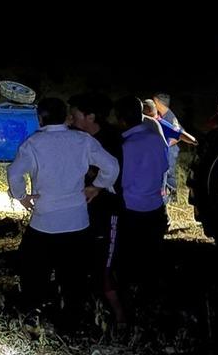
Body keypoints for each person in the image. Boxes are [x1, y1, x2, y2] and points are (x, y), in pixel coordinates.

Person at [7, 97, 119, 330]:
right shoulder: (83, 140)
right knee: (74, 276)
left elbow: (14, 173)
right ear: (66, 116)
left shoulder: (33, 144)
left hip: (44, 222)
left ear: (40, 118)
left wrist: (22, 196)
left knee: (35, 272)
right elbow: (112, 166)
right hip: (77, 221)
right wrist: (97, 186)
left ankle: (33, 314)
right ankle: (71, 321)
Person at [68, 93, 127, 326]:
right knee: (84, 260)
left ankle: (122, 317)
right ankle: (88, 312)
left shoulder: (112, 140)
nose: (71, 120)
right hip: (84, 211)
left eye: (74, 115)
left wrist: (95, 185)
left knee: (105, 265)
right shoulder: (78, 137)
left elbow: (115, 173)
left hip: (107, 212)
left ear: (90, 116)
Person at [115, 96, 170, 297]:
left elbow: (124, 181)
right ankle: (152, 291)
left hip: (132, 208)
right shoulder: (156, 137)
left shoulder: (128, 145)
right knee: (152, 254)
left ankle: (130, 290)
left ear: (120, 119)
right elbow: (165, 166)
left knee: (129, 254)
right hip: (155, 205)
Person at [152, 93, 184, 195]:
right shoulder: (164, 114)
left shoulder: (169, 117)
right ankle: (168, 194)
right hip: (170, 148)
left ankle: (174, 196)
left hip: (172, 149)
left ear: (159, 103)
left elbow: (180, 134)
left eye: (154, 101)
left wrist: (166, 143)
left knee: (169, 173)